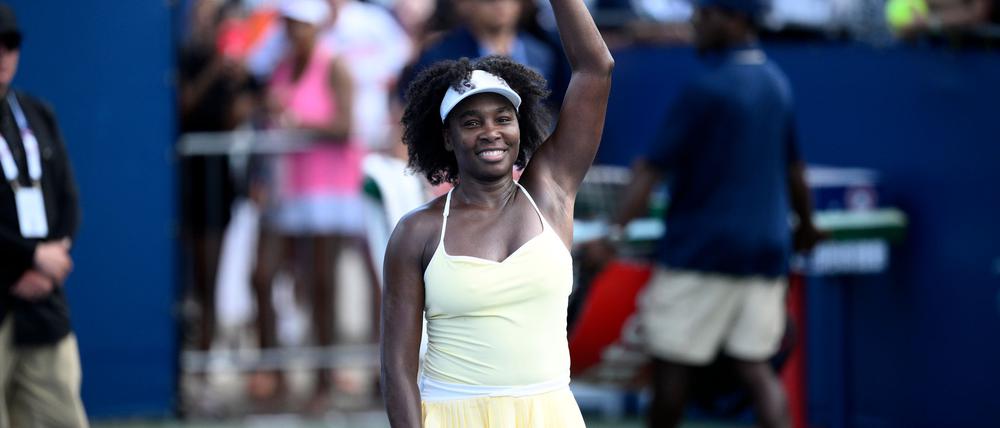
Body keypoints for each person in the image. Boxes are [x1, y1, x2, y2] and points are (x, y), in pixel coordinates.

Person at [380, 0, 614, 424]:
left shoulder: (551, 191)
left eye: (503, 118)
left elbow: (595, 68)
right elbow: (397, 369)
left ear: (519, 127)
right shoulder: (417, 232)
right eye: (470, 122)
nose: (490, 132)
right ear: (448, 138)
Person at [594, 1, 824, 427]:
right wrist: (807, 229)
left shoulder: (707, 88)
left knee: (671, 367)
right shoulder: (776, 83)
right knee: (756, 369)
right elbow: (795, 170)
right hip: (765, 254)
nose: (695, 22)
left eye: (706, 14)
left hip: (701, 253)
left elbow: (650, 170)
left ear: (735, 20)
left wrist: (612, 237)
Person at [249, 0, 363, 409]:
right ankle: (275, 374)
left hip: (328, 191)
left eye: (301, 25)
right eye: (289, 24)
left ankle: (320, 382)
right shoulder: (280, 66)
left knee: (320, 284)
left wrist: (298, 121)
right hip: (286, 189)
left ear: (316, 27)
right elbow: (270, 122)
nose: (294, 32)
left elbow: (345, 125)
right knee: (262, 276)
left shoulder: (334, 64)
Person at [0, 4, 88, 427]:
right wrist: (30, 258)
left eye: (10, 43)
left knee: (62, 414)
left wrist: (51, 263)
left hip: (42, 304)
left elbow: (68, 201)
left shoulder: (37, 114)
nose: (2, 54)